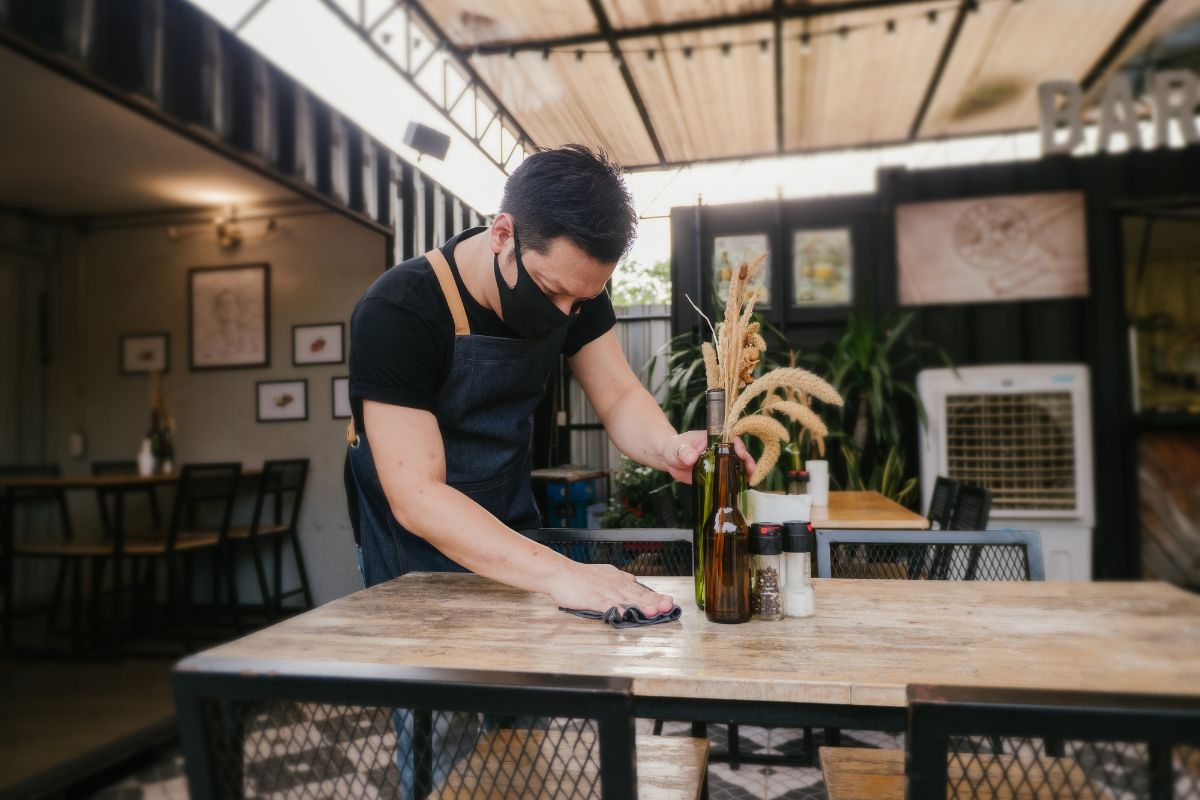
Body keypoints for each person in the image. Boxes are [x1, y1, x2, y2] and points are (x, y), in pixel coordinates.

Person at [345, 144, 754, 617]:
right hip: (411, 558)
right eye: (550, 290)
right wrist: (563, 573)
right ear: (503, 234)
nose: (564, 314)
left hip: (518, 543)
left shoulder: (577, 287)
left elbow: (619, 396)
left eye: (580, 301)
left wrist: (671, 448)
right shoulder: (401, 310)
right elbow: (418, 495)